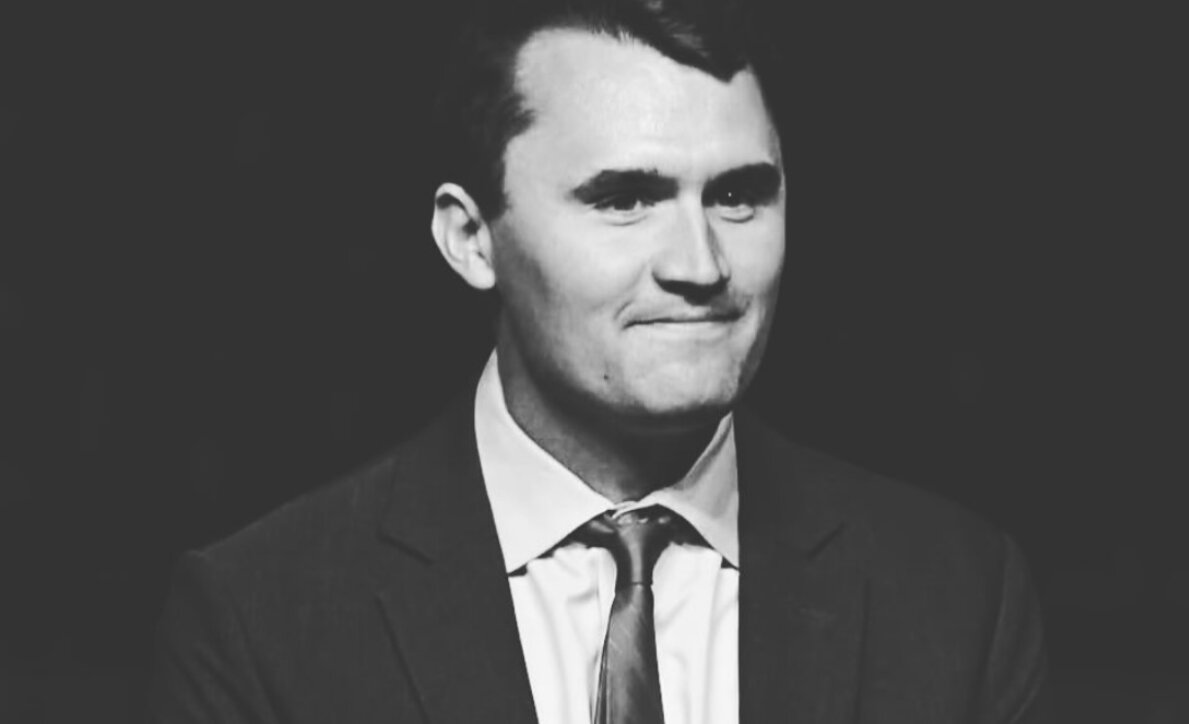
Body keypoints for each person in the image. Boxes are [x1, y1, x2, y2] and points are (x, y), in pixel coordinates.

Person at [150, 0, 1052, 721]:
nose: (700, 264)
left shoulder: (957, 599)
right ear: (470, 238)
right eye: (625, 200)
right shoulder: (262, 619)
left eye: (739, 195)